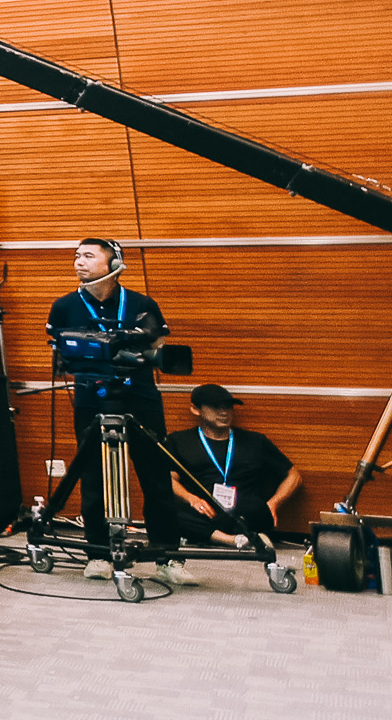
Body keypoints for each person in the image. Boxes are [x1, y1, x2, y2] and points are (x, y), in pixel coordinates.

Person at [45, 237, 178, 576]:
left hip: (141, 398)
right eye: (77, 256)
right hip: (91, 399)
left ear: (114, 264)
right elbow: (59, 356)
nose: (79, 261)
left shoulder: (141, 303)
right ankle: (98, 554)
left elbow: (158, 344)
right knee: (93, 476)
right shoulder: (64, 306)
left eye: (89, 256)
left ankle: (167, 558)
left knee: (156, 476)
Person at [160, 384, 301, 550]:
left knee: (255, 506)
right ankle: (231, 540)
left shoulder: (255, 441)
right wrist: (191, 499)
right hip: (206, 512)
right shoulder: (179, 441)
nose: (224, 412)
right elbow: (169, 479)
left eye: (228, 407)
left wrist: (273, 504)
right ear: (195, 410)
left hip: (246, 512)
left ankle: (213, 537)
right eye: (216, 407)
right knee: (163, 509)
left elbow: (294, 476)